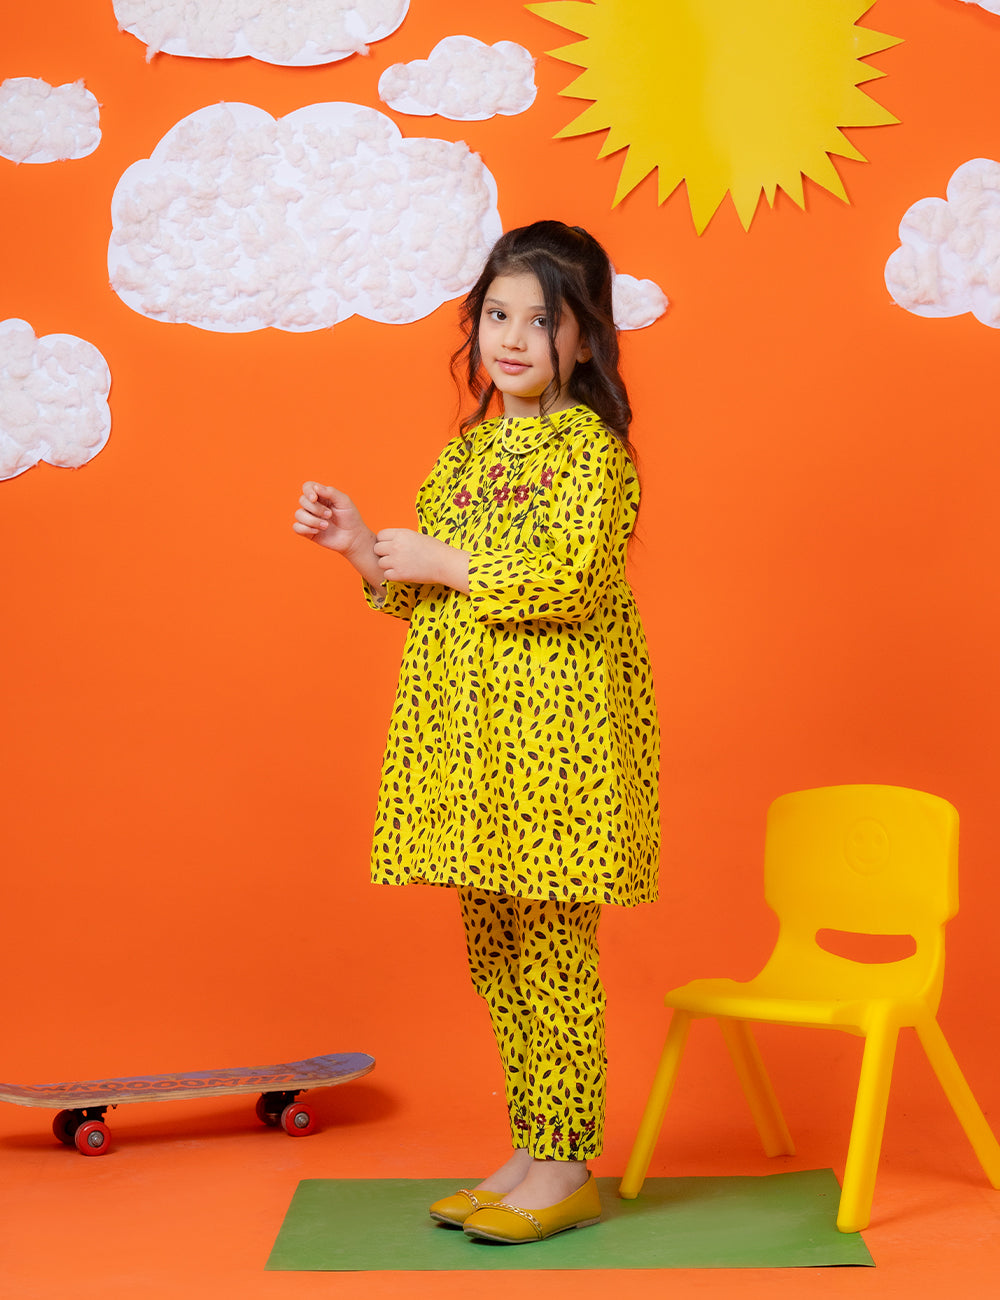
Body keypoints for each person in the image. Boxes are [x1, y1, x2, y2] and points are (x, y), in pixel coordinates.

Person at [293, 220, 660, 1244]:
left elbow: (569, 581)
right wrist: (360, 546)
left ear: (584, 339)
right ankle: (533, 1148)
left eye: (540, 321)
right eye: (497, 315)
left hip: (559, 748)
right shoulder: (465, 456)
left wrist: (446, 561)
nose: (512, 338)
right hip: (471, 746)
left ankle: (569, 1163)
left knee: (553, 956)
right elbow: (419, 593)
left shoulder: (592, 454)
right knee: (497, 954)